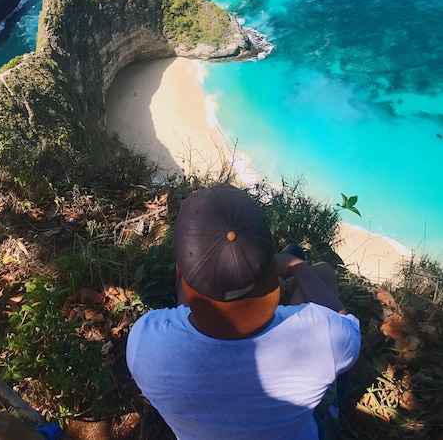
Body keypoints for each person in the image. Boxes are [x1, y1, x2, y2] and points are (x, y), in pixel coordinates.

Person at [126, 184, 361, 439]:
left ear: (181, 275)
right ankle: (339, 407)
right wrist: (297, 265)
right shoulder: (325, 337)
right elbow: (344, 321)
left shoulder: (144, 343)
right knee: (322, 271)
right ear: (272, 270)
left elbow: (184, 318)